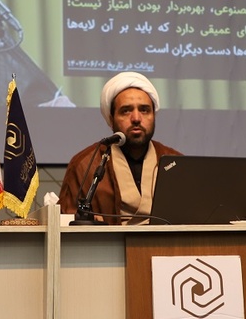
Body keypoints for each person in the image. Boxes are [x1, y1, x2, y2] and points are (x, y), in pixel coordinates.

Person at [59, 72, 182, 224]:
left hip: (165, 240)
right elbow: (67, 221)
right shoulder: (85, 164)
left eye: (144, 110)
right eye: (126, 111)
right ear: (111, 119)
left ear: (153, 116)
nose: (136, 118)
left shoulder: (176, 162)